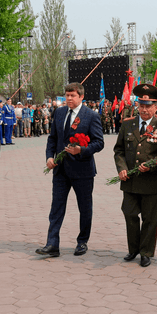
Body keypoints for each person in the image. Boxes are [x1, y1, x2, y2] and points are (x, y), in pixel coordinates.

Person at [36, 82, 105, 257]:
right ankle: (52, 244)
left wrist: (81, 150)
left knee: (85, 208)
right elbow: (52, 139)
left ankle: (82, 241)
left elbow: (99, 142)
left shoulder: (90, 116)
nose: (68, 99)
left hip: (82, 170)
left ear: (81, 97)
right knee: (56, 207)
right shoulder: (59, 113)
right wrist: (49, 157)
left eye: (72, 95)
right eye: (67, 95)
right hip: (60, 170)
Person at [113, 84, 157, 267]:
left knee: (149, 218)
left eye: (149, 106)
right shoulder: (127, 124)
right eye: (142, 105)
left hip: (150, 181)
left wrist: (153, 165)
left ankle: (146, 252)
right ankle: (133, 249)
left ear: (156, 107)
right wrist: (121, 168)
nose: (145, 109)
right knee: (129, 214)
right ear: (137, 106)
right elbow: (119, 150)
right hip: (129, 181)